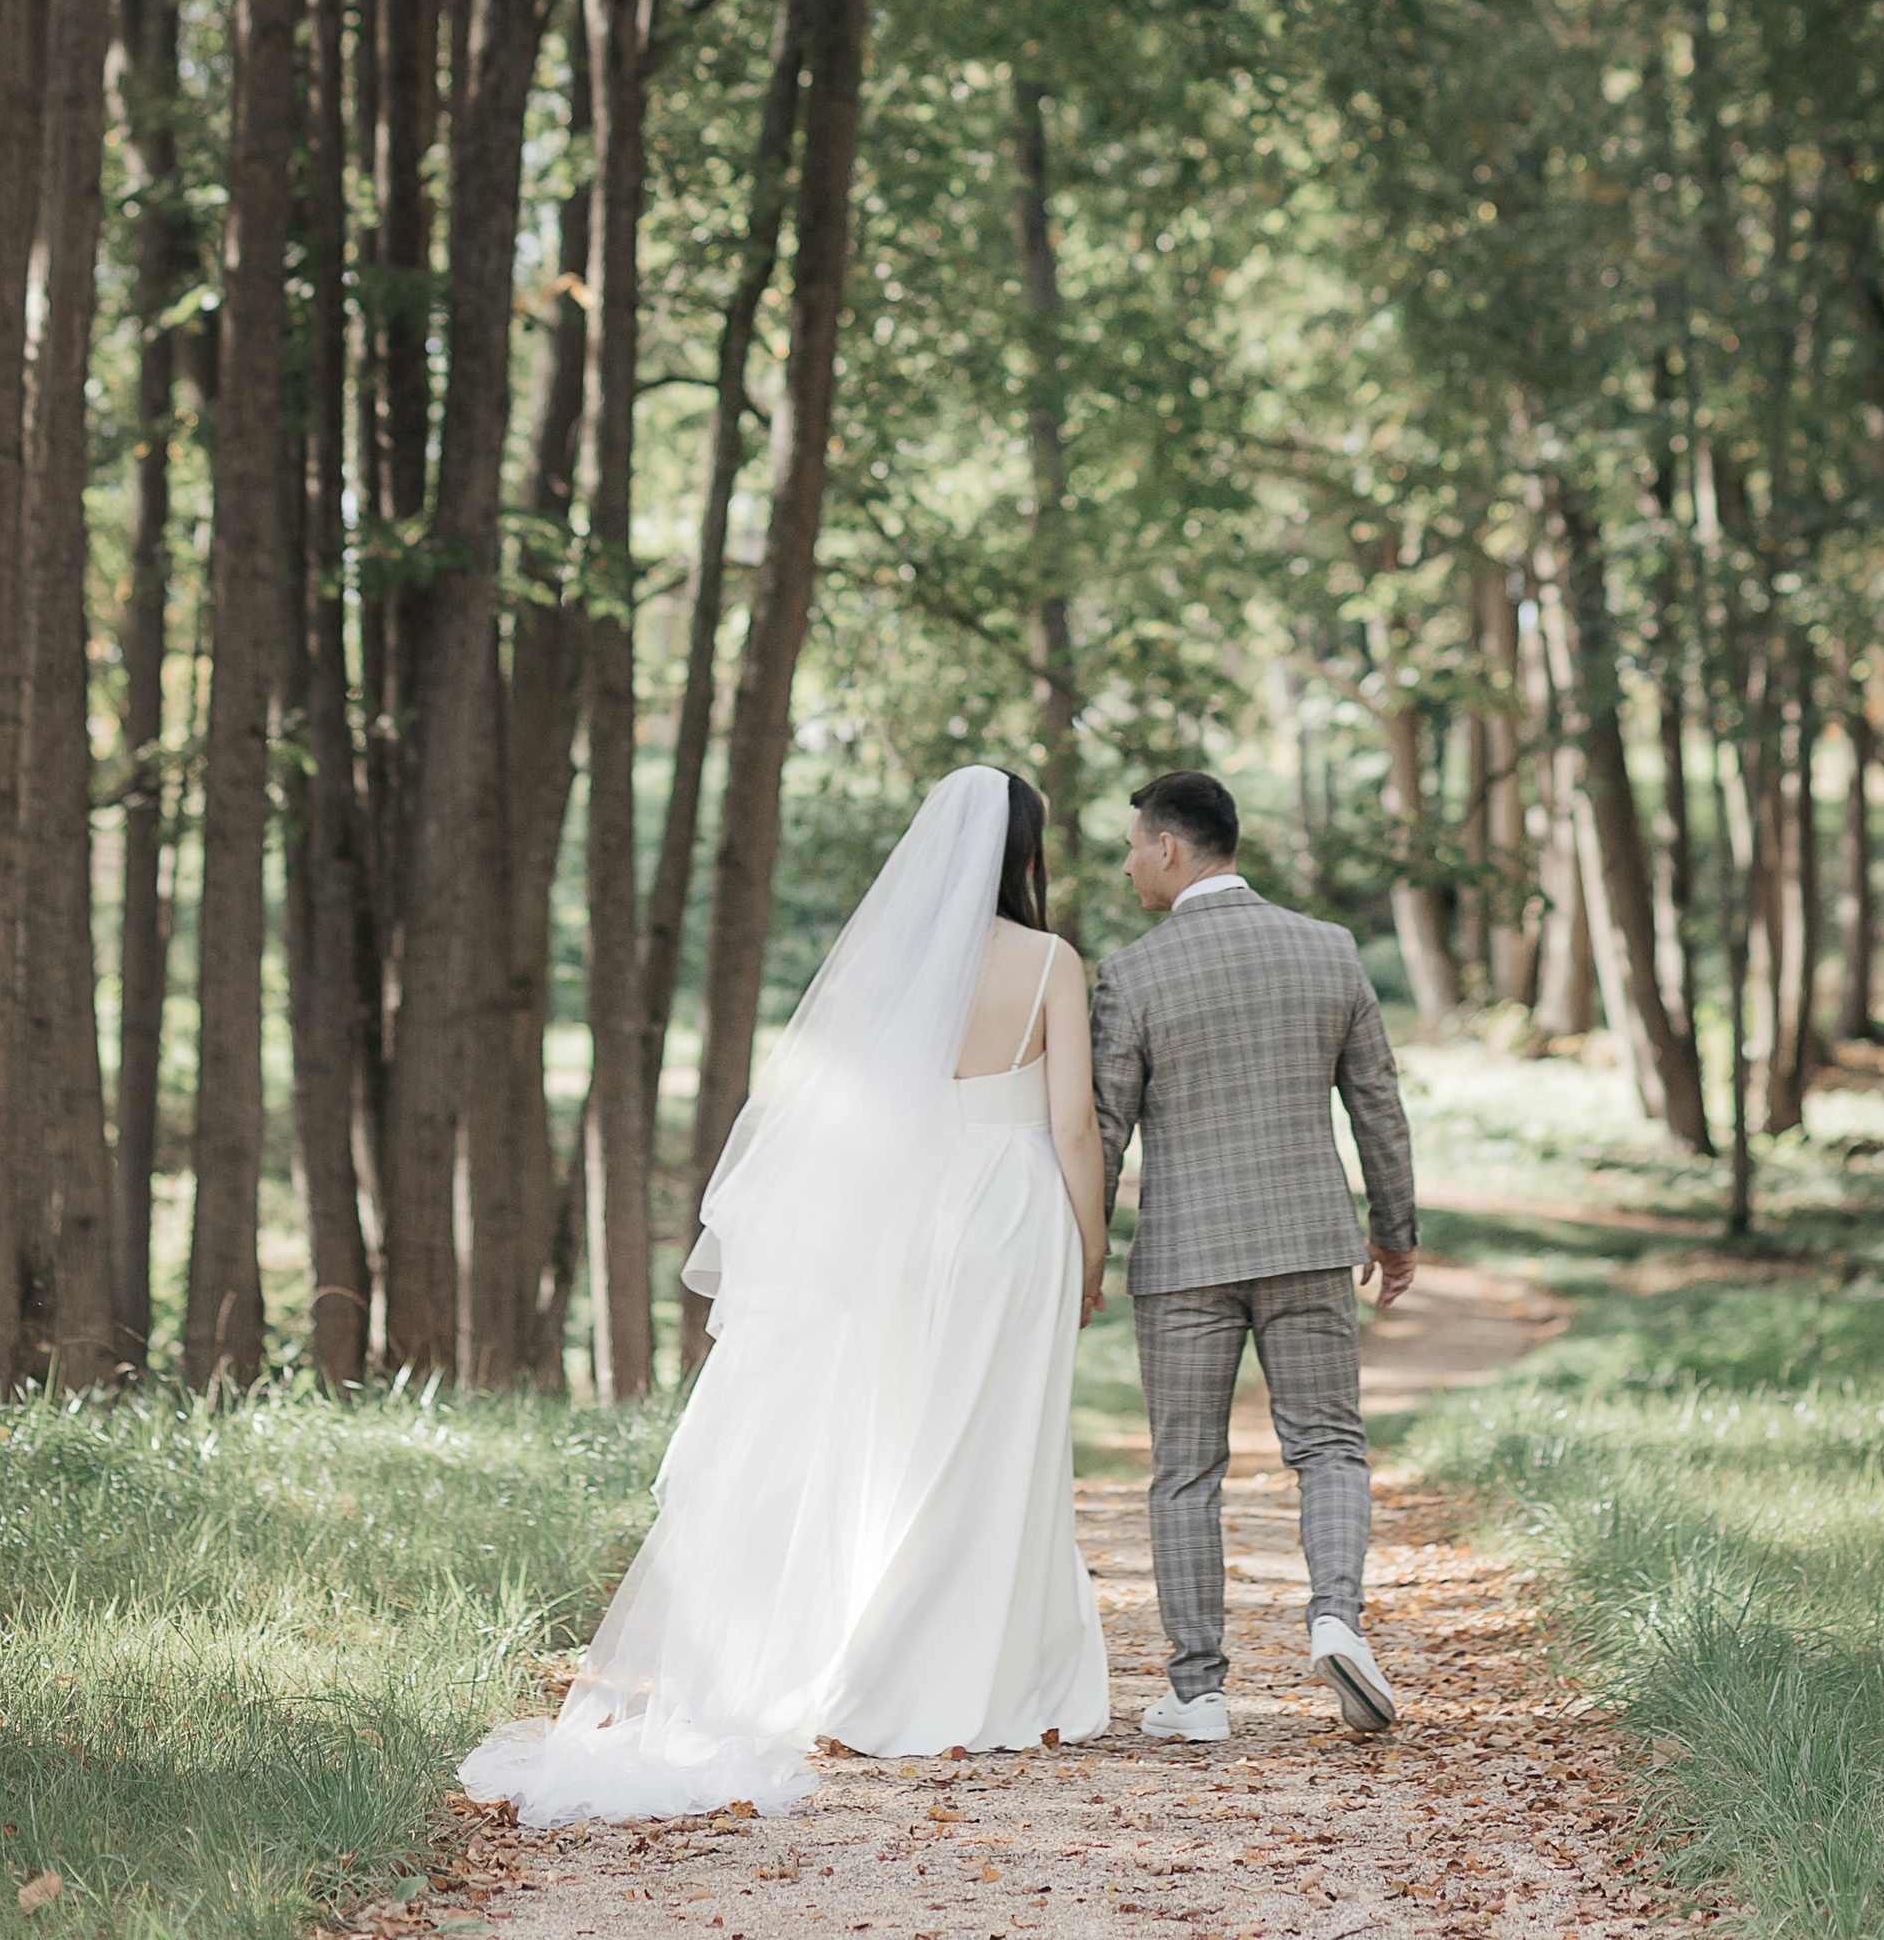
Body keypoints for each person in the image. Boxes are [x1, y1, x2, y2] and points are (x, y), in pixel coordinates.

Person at [458, 765, 1110, 1820]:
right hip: (1009, 1215)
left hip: (908, 1216)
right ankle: (957, 1669)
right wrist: (1090, 1248)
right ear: (1024, 853)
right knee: (993, 1439)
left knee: (900, 1436)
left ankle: (864, 1653)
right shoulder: (1050, 963)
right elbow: (1073, 1125)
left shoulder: (898, 966)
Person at [1090, 768, 1419, 1746]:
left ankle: (1197, 1694)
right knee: (1328, 1444)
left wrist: (1082, 1254)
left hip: (1184, 1255)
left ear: (1171, 849)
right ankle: (1335, 1620)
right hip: (1309, 1241)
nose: (1125, 862)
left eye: (1131, 844)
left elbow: (1104, 1130)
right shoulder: (1329, 951)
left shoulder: (1134, 972)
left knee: (1185, 1470)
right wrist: (1394, 1231)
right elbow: (1377, 1103)